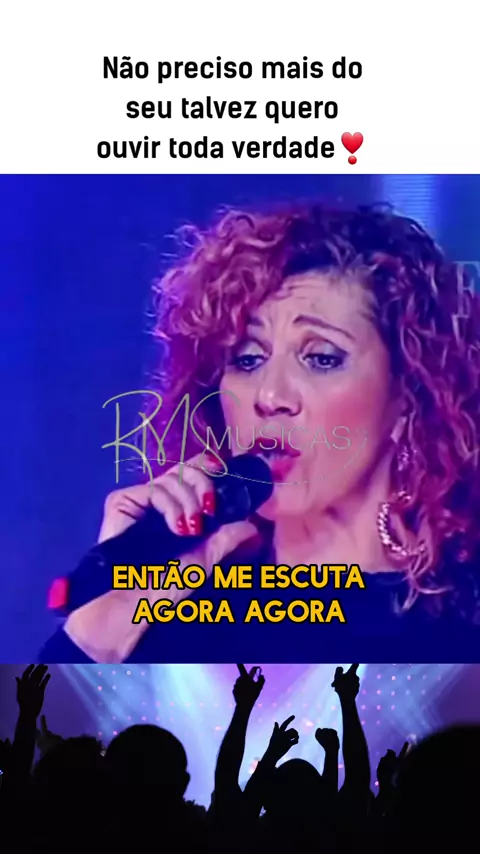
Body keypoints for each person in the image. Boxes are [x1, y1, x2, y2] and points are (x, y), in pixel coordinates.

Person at [40, 203, 480, 663]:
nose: (270, 395)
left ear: (408, 396)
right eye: (248, 359)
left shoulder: (463, 624)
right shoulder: (180, 613)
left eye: (321, 358)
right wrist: (105, 624)